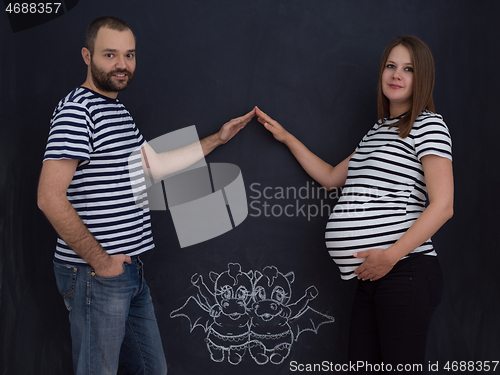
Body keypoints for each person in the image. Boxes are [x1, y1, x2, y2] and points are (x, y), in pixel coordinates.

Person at [37, 16, 255, 375]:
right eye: (110, 54)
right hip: (97, 274)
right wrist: (102, 262)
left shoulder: (117, 111)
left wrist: (218, 138)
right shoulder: (79, 111)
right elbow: (49, 197)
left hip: (129, 272)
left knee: (152, 370)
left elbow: (152, 166)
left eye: (129, 55)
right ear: (87, 56)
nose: (122, 65)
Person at [256, 35, 453, 374]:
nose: (396, 74)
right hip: (371, 277)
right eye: (391, 66)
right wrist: (287, 138)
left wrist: (390, 256)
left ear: (422, 79)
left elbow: (443, 205)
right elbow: (333, 177)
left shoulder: (428, 124)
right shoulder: (377, 132)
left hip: (404, 271)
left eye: (408, 69)